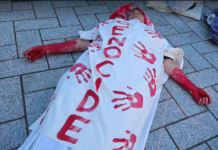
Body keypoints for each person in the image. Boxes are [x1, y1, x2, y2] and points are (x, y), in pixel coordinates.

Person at [18, 3, 211, 150]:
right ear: (122, 17)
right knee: (67, 103)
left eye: (139, 12)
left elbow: (167, 65)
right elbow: (81, 44)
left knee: (118, 121)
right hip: (94, 70)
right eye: (130, 12)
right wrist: (46, 49)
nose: (134, 13)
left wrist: (193, 88)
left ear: (147, 21)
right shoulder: (110, 25)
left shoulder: (158, 39)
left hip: (133, 79)